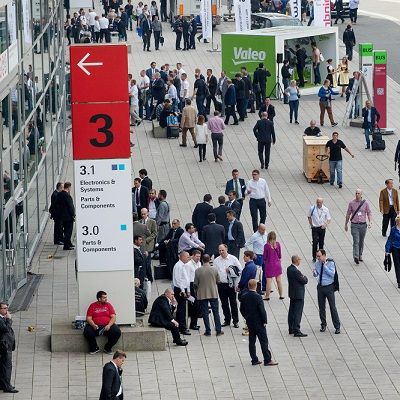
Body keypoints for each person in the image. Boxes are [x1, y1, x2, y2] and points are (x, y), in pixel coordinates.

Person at [239, 279, 279, 366]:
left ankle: (254, 359)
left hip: (250, 322)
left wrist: (246, 317)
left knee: (252, 341)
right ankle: (267, 359)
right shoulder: (258, 297)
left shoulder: (244, 296)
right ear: (256, 286)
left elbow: (241, 309)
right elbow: (262, 310)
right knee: (263, 341)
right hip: (259, 322)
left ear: (249, 286)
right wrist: (264, 320)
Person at [194, 254, 223, 336]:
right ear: (210, 259)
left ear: (202, 260)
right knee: (216, 312)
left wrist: (196, 291)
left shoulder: (198, 270)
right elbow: (218, 281)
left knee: (205, 313)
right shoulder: (214, 269)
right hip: (213, 293)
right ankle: (218, 330)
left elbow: (195, 283)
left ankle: (208, 331)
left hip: (202, 294)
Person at [214, 244, 242, 328]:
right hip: (221, 284)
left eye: (223, 250)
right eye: (220, 250)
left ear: (226, 249)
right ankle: (227, 320)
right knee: (224, 303)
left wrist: (231, 271)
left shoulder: (233, 259)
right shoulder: (216, 260)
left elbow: (240, 270)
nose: (221, 252)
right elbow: (214, 272)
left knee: (233, 303)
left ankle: (235, 321)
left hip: (231, 284)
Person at [313, 250, 341, 334]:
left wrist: (325, 266)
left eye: (319, 256)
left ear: (324, 255)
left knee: (332, 307)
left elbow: (332, 274)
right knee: (321, 307)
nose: (318, 258)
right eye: (317, 256)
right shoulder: (317, 263)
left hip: (329, 287)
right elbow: (316, 274)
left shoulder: (331, 263)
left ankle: (337, 326)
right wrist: (314, 273)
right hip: (320, 287)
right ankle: (323, 324)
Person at [345, 189, 372, 264]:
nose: (357, 194)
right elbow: (348, 214)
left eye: (358, 193)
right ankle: (356, 256)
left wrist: (370, 222)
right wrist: (346, 224)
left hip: (363, 225)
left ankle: (360, 255)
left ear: (361, 195)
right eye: (356, 193)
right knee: (356, 241)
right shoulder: (351, 203)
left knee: (361, 241)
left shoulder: (365, 203)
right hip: (354, 225)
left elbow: (369, 213)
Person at [287, 255, 308, 337]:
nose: (300, 261)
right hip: (298, 294)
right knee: (297, 312)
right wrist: (304, 277)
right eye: (299, 259)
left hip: (292, 293)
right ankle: (297, 330)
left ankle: (291, 328)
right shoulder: (296, 271)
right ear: (296, 260)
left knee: (292, 311)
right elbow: (304, 280)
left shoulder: (289, 268)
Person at [0, 302, 18, 393]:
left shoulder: (3, 318)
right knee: (7, 366)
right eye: (4, 308)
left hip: (6, 345)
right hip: (4, 346)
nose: (6, 310)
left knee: (2, 366)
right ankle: (7, 387)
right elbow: (5, 329)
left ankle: (3, 384)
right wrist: (9, 320)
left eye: (7, 308)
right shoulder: (1, 319)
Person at [172, 251, 191, 335]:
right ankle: (182, 328)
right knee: (182, 309)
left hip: (183, 289)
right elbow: (178, 279)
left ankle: (180, 326)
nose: (188, 258)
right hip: (180, 289)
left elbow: (186, 279)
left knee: (181, 309)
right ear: (182, 257)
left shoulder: (183, 265)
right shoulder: (178, 266)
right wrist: (183, 291)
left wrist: (188, 290)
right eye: (187, 257)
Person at [308, 198, 331, 262]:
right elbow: (309, 216)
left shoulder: (325, 209)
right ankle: (314, 256)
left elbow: (329, 219)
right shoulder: (312, 208)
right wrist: (311, 224)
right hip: (315, 228)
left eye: (320, 202)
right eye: (317, 202)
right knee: (315, 242)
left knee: (321, 242)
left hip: (322, 228)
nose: (318, 203)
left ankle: (321, 256)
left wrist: (325, 224)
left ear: (322, 203)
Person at [245, 224, 267, 291]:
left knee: (265, 271)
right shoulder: (255, 236)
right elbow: (246, 244)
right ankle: (258, 288)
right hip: (258, 256)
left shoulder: (265, 233)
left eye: (264, 229)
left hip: (265, 255)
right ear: (259, 229)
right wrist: (252, 253)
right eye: (262, 230)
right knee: (259, 272)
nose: (264, 231)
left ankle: (264, 286)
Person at [263, 231, 284, 300]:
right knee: (279, 280)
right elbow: (280, 255)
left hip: (269, 265)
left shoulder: (266, 246)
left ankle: (267, 296)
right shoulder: (277, 244)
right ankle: (281, 295)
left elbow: (265, 257)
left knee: (269, 281)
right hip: (277, 264)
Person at [57, 181, 75, 250]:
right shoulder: (67, 196)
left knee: (65, 230)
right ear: (69, 187)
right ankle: (66, 246)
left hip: (62, 216)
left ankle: (69, 243)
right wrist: (73, 215)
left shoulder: (59, 194)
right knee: (68, 231)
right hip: (68, 217)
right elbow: (70, 206)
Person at [186, 250, 201, 330]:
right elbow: (187, 278)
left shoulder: (199, 263)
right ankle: (192, 324)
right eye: (197, 256)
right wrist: (188, 291)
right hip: (191, 286)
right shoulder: (189, 265)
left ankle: (194, 323)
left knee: (197, 306)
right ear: (193, 256)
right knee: (194, 305)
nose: (198, 258)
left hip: (197, 285)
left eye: (199, 256)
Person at [385, 216, 400, 288]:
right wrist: (387, 250)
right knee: (397, 265)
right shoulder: (394, 229)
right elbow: (390, 239)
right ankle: (399, 281)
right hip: (395, 249)